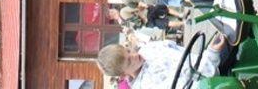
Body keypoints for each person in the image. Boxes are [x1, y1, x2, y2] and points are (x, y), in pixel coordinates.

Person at [98, 36, 228, 88]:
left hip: (211, 61)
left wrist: (210, 52)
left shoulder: (150, 48)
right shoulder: (147, 85)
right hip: (211, 83)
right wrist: (212, 53)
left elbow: (186, 54)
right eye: (129, 61)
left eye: (128, 50)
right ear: (123, 74)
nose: (135, 55)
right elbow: (196, 83)